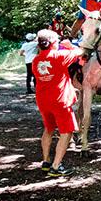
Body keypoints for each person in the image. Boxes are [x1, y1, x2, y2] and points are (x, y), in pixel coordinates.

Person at [32, 29, 84, 177]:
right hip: (59, 101)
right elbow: (80, 52)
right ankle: (56, 167)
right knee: (66, 132)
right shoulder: (59, 56)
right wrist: (69, 45)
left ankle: (46, 161)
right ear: (53, 43)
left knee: (48, 129)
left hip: (43, 101)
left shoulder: (36, 60)